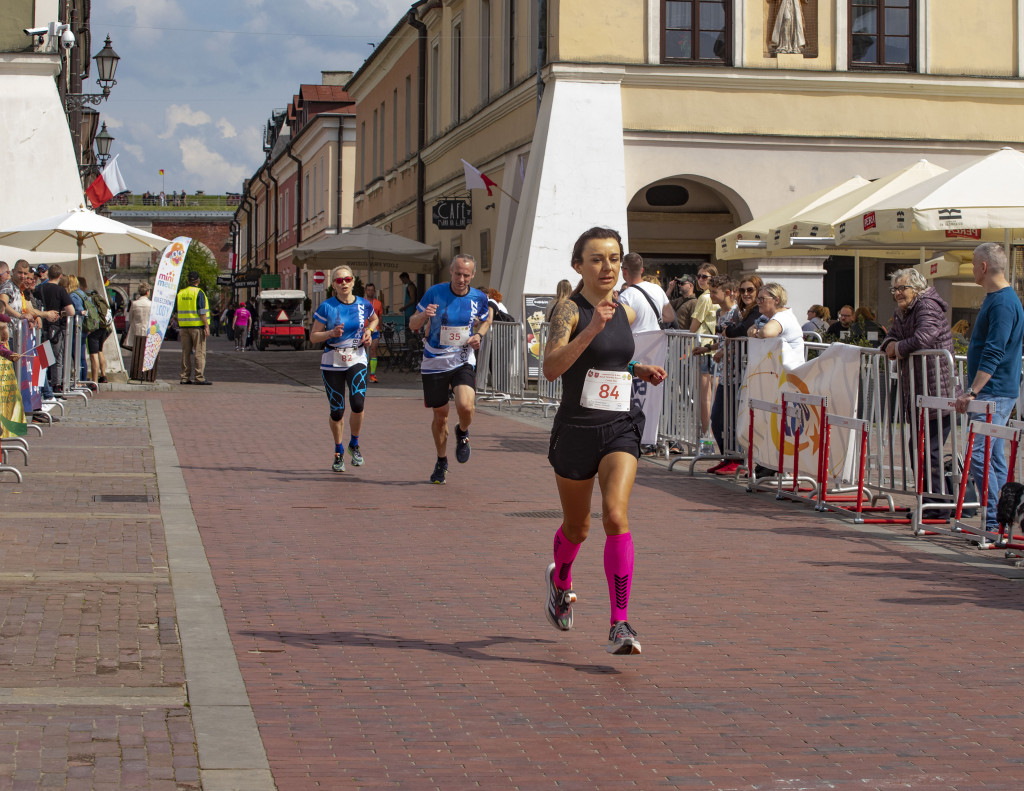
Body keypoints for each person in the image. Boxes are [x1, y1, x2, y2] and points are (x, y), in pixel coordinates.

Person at [542, 227, 667, 656]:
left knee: (616, 515)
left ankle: (620, 624)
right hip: (576, 430)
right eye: (597, 259)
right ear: (578, 265)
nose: (608, 267)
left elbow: (611, 364)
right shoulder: (569, 311)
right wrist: (592, 328)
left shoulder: (625, 310)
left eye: (614, 258)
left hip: (618, 427)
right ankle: (560, 581)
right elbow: (553, 368)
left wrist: (639, 369)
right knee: (578, 528)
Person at [954, 242, 1024, 536]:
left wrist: (972, 391)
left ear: (984, 267)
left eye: (973, 264)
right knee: (991, 457)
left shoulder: (1003, 302)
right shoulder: (999, 299)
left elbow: (995, 351)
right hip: (994, 391)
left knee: (980, 455)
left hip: (994, 391)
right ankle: (998, 520)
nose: (971, 268)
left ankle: (995, 520)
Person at [409, 253, 492, 485]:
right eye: (457, 273)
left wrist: (479, 335)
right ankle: (441, 460)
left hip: (461, 358)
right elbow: (412, 324)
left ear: (473, 275)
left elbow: (487, 317)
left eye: (466, 275)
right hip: (435, 360)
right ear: (451, 272)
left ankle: (463, 431)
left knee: (465, 405)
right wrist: (424, 315)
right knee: (440, 415)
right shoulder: (435, 292)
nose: (461, 279)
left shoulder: (479, 297)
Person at [880, 268, 954, 520]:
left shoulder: (927, 306)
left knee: (927, 448)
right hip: (919, 391)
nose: (898, 293)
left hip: (937, 390)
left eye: (902, 288)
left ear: (917, 288)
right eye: (895, 289)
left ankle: (939, 504)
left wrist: (897, 348)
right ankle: (932, 501)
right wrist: (889, 345)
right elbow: (890, 336)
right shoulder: (904, 310)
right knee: (918, 447)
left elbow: (924, 337)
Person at [310, 265, 378, 472]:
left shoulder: (364, 304)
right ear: (334, 285)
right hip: (333, 360)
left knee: (357, 403)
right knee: (337, 410)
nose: (344, 284)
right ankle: (338, 449)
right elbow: (313, 337)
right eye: (339, 281)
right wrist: (330, 333)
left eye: (347, 279)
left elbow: (374, 319)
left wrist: (369, 330)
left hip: (357, 356)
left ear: (353, 282)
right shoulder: (327, 307)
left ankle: (354, 444)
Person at [36, 264, 76, 394]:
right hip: (56, 328)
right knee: (57, 359)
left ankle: (40, 385)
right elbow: (71, 311)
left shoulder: (39, 289)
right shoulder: (60, 290)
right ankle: (56, 385)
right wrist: (61, 313)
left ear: (48, 274)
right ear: (60, 276)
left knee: (42, 358)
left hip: (41, 327)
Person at [689, 264, 719, 435]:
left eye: (705, 277)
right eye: (699, 276)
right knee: (713, 395)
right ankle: (712, 432)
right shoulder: (717, 298)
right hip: (714, 349)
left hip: (705, 348)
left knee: (705, 396)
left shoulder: (705, 298)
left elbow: (694, 326)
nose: (700, 279)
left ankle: (707, 433)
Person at [747, 282, 804, 368]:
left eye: (762, 299)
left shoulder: (784, 316)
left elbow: (767, 332)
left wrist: (757, 331)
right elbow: (749, 331)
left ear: (776, 300)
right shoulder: (766, 317)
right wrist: (757, 331)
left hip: (790, 373)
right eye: (757, 299)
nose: (758, 302)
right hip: (777, 371)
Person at [618, 252, 675, 332]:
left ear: (624, 271)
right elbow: (670, 316)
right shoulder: (657, 289)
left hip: (636, 341)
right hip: (657, 340)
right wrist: (651, 320)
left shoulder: (625, 296)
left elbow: (621, 326)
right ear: (641, 270)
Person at [174, 270, 212, 385]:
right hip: (197, 328)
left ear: (187, 281)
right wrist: (206, 326)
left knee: (185, 352)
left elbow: (176, 312)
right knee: (199, 352)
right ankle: (199, 377)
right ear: (198, 281)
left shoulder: (180, 293)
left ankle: (184, 377)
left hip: (184, 327)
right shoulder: (199, 293)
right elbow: (202, 312)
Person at [126, 284, 154, 381]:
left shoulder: (134, 304)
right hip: (148, 331)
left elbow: (130, 319)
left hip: (136, 331)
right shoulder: (151, 304)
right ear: (147, 292)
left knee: (136, 353)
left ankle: (135, 373)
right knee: (146, 353)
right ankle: (145, 373)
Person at [363, 283, 384, 383]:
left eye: (372, 290)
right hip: (363, 330)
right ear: (366, 291)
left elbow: (380, 317)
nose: (370, 292)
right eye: (368, 290)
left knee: (373, 350)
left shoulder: (378, 303)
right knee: (361, 352)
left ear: (374, 291)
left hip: (375, 330)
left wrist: (381, 329)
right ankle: (362, 373)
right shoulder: (361, 302)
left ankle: (372, 374)